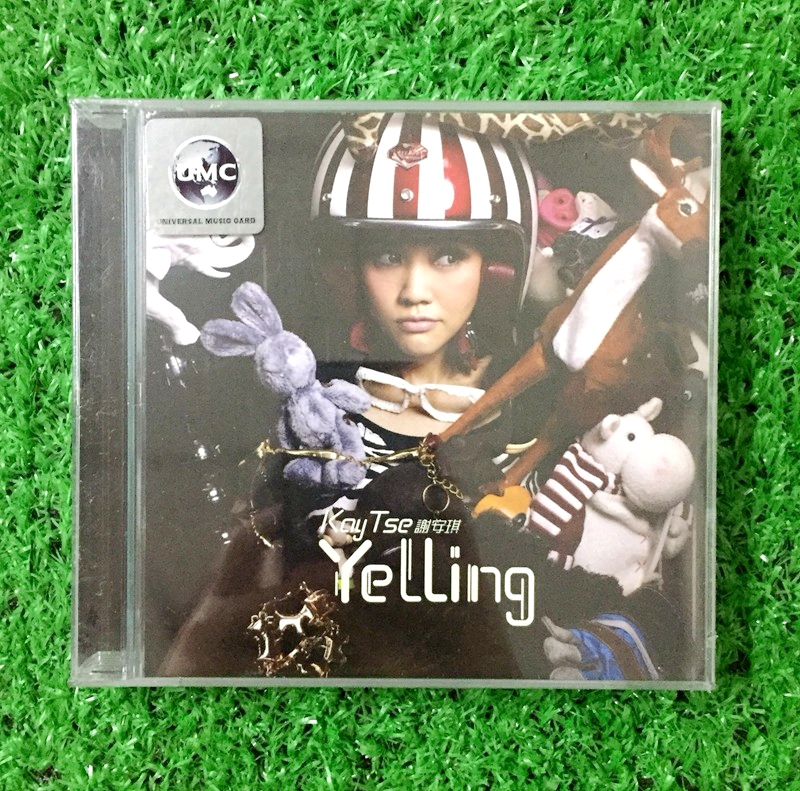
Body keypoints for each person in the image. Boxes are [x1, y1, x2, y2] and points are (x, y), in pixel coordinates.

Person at [160, 113, 685, 681]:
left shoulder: (547, 408)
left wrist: (605, 640)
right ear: (347, 270)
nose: (415, 291)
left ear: (498, 268)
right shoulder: (306, 409)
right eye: (387, 256)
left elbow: (641, 597)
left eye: (448, 255)